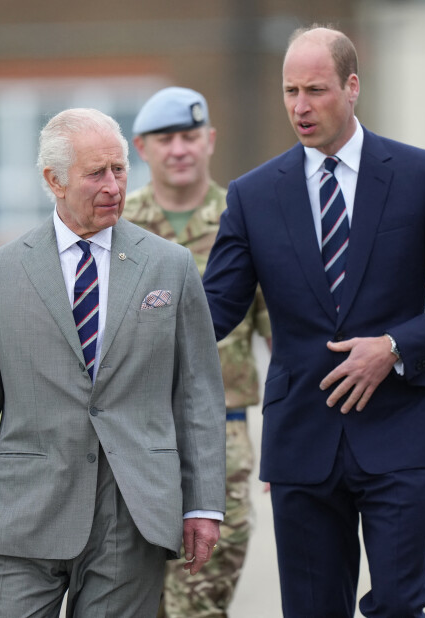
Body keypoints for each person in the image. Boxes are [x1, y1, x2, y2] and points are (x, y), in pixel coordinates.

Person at [202, 25, 425, 618]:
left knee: (399, 606)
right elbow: (213, 311)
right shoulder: (253, 195)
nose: (300, 107)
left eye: (315, 89)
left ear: (353, 85)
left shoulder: (423, 176)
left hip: (398, 430)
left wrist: (393, 346)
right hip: (301, 439)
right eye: (290, 91)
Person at [0, 107, 227, 618]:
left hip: (131, 515)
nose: (114, 185)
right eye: (97, 173)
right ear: (54, 180)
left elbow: (197, 394)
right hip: (21, 515)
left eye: (119, 169)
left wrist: (203, 504)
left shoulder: (171, 266)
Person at [125, 86, 272, 618]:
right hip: (130, 438)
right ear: (141, 148)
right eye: (165, 139)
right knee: (132, 600)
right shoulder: (116, 224)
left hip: (222, 438)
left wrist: (290, 438)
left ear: (210, 140)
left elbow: (285, 340)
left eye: (190, 136)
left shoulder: (248, 217)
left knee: (202, 600)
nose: (180, 149)